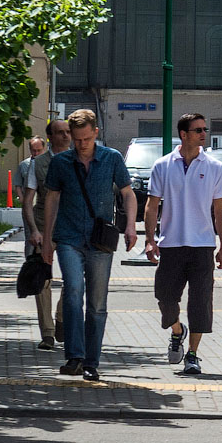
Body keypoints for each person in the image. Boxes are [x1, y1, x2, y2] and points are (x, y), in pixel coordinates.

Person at [42, 109, 137, 380]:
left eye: (86, 139)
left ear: (96, 132)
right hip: (69, 237)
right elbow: (51, 200)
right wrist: (48, 240)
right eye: (76, 140)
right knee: (73, 292)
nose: (81, 145)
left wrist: (130, 226)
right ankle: (74, 356)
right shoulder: (61, 163)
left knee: (96, 303)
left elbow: (128, 193)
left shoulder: (112, 158)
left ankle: (91, 362)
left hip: (99, 241)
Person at [144, 113, 222, 376]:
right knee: (165, 298)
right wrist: (150, 240)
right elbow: (152, 205)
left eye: (205, 129)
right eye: (198, 130)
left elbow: (220, 211)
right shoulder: (162, 166)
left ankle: (192, 355)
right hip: (171, 244)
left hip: (202, 246)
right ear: (184, 134)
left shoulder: (214, 167)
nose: (204, 134)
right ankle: (177, 331)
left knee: (201, 302)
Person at [24, 122, 70, 350]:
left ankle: (62, 317)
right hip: (44, 226)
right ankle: (48, 333)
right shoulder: (39, 164)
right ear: (50, 137)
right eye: (61, 132)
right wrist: (33, 230)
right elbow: (28, 200)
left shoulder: (77, 159)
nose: (66, 136)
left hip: (71, 226)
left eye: (68, 132)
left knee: (73, 277)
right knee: (42, 278)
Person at [13, 137, 46, 203]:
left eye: (39, 150)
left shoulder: (49, 163)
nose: (36, 153)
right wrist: (22, 199)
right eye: (34, 150)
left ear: (44, 149)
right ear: (30, 149)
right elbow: (18, 184)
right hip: (29, 199)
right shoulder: (23, 165)